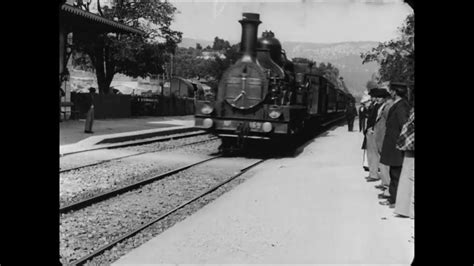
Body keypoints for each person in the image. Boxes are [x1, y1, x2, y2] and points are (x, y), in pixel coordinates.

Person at [379, 82, 411, 208]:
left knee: (396, 173)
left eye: (391, 90)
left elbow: (404, 126)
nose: (390, 93)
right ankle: (393, 198)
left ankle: (395, 200)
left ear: (395, 92)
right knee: (394, 172)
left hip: (396, 145)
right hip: (393, 144)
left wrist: (400, 142)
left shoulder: (402, 106)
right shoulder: (399, 105)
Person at [373, 87, 394, 199]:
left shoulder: (388, 107)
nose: (376, 99)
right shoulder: (384, 106)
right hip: (381, 137)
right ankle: (384, 184)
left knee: (385, 164)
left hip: (384, 138)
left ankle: (387, 188)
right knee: (383, 163)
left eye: (379, 97)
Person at [394, 104, 415, 218]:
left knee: (408, 176)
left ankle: (405, 208)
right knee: (409, 176)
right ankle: (408, 210)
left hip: (409, 146)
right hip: (410, 147)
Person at [365, 88, 385, 182]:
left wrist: (371, 129)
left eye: (378, 97)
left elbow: (375, 119)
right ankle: (373, 173)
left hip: (374, 132)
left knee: (373, 154)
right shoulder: (375, 105)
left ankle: (374, 174)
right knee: (371, 154)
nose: (376, 98)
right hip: (371, 132)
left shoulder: (380, 106)